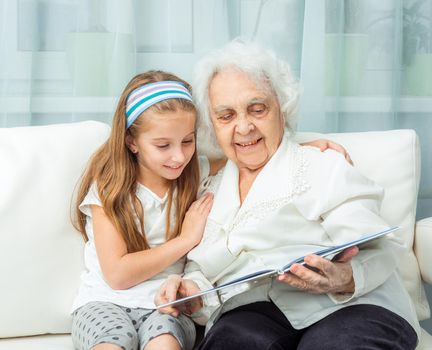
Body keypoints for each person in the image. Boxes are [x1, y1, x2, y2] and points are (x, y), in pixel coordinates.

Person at [155, 40, 420, 350]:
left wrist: (344, 277)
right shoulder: (207, 189)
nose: (243, 127)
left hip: (350, 306)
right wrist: (189, 292)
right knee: (228, 342)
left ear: (282, 108)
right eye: (226, 116)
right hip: (253, 312)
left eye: (257, 109)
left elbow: (379, 248)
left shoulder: (321, 164)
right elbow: (204, 271)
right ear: (212, 125)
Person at [70, 69, 345, 350]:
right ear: (131, 141)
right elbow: (118, 275)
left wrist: (300, 149)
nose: (179, 156)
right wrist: (186, 240)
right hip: (105, 302)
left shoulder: (195, 172)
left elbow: (249, 153)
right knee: (112, 345)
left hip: (168, 307)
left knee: (164, 344)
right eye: (163, 145)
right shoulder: (110, 190)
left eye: (188, 141)